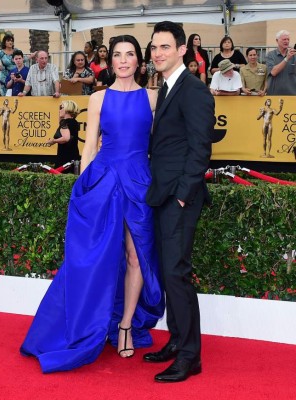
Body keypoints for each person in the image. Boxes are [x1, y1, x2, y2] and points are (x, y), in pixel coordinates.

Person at [20, 34, 165, 373]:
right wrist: (83, 188)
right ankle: (86, 325)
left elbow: (162, 141)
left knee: (136, 255)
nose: (124, 60)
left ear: (140, 61)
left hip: (139, 181)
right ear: (110, 61)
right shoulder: (98, 98)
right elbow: (88, 149)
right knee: (96, 257)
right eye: (118, 55)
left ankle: (126, 324)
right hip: (104, 179)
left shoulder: (154, 97)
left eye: (130, 54)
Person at [144, 21, 215, 383]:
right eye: (154, 47)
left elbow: (201, 147)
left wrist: (185, 196)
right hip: (164, 193)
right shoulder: (168, 88)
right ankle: (177, 341)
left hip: (179, 197)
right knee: (171, 273)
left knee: (177, 274)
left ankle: (190, 356)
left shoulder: (194, 91)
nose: (158, 53)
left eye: (165, 47)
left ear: (182, 49)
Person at [46, 100, 81, 171]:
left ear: (67, 109)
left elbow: (66, 138)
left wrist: (53, 141)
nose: (59, 110)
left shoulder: (65, 123)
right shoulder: (74, 122)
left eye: (61, 108)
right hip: (73, 156)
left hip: (64, 159)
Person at [266, 30, 296, 95]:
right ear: (277, 40)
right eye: (284, 39)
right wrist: (287, 58)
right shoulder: (270, 55)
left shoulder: (294, 55)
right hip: (274, 95)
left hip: (292, 95)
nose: (287, 41)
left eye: (288, 39)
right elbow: (273, 72)